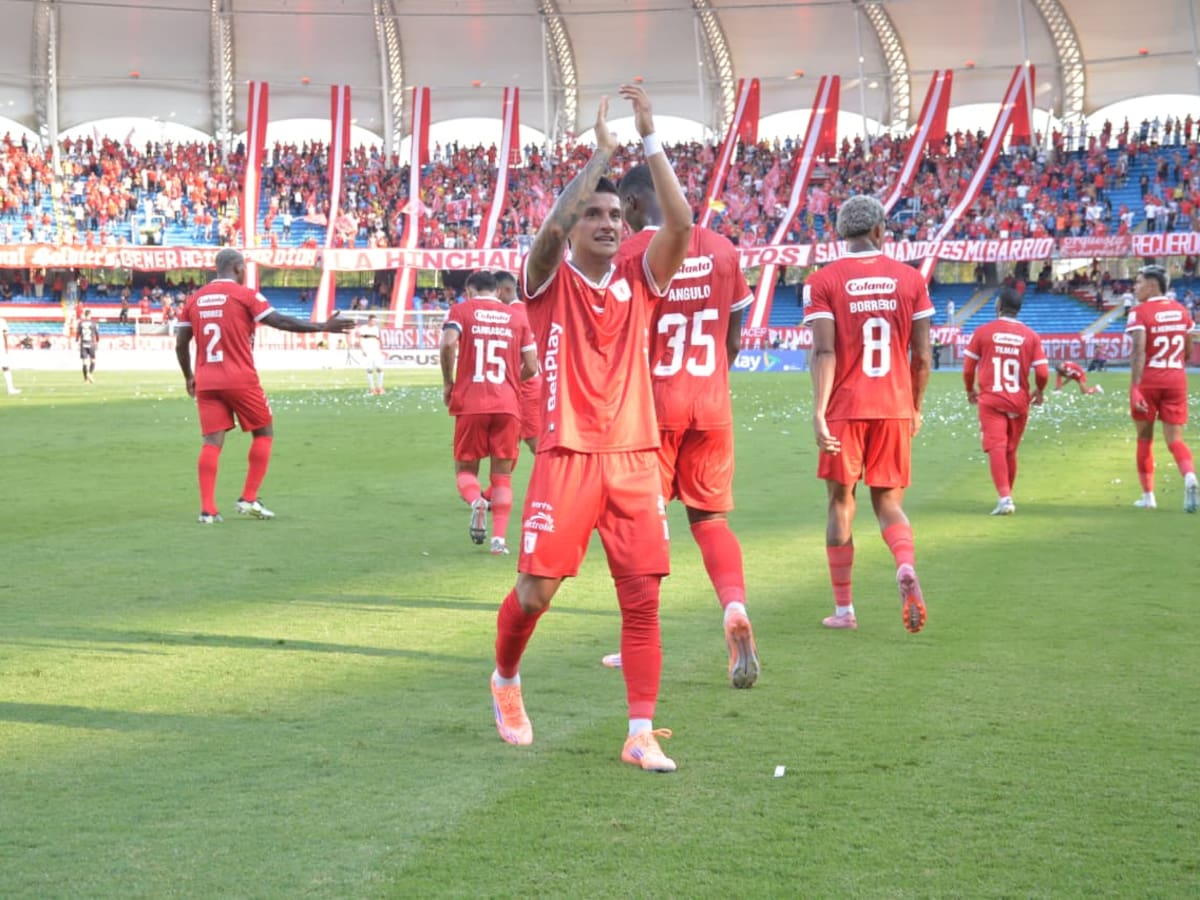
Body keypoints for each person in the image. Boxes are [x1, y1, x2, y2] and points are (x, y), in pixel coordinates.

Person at [488, 85, 691, 772]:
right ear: (575, 226)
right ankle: (507, 679)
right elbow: (546, 236)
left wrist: (649, 137)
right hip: (567, 454)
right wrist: (602, 153)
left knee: (642, 598)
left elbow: (682, 227)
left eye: (614, 214)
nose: (607, 222)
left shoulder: (641, 278)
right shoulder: (546, 282)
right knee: (536, 593)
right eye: (594, 214)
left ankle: (639, 733)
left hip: (634, 457)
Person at [600, 162, 759, 689]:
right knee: (711, 521)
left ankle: (639, 640)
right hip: (710, 403)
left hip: (647, 409)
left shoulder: (625, 257)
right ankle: (733, 605)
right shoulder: (722, 248)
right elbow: (733, 337)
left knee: (642, 527)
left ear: (633, 206)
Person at [803, 195, 933, 633]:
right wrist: (914, 407)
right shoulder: (911, 279)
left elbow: (823, 350)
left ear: (842, 234)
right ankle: (904, 564)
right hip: (894, 405)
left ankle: (844, 610)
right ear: (880, 231)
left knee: (842, 502)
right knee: (889, 502)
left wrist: (819, 413)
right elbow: (923, 357)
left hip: (844, 408)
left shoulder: (823, 280)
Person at [175, 248, 355, 524]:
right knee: (264, 433)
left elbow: (180, 343)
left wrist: (189, 375)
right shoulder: (245, 295)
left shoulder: (194, 300)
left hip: (207, 381)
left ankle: (208, 510)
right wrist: (323, 326)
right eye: (244, 268)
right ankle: (248, 498)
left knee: (211, 442)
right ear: (237, 268)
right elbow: (280, 321)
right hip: (240, 379)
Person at [440, 270, 538, 555]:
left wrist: (449, 383)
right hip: (508, 405)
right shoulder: (517, 318)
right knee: (502, 477)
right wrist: (509, 384)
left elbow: (448, 343)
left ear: (470, 292)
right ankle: (499, 542)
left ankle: (476, 502)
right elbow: (531, 366)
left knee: (466, 471)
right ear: (497, 292)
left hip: (471, 402)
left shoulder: (462, 310)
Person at [962, 287, 1049, 516]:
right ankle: (1007, 495)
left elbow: (969, 368)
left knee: (996, 447)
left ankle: (1005, 498)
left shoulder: (983, 332)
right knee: (1010, 450)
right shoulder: (1031, 336)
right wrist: (1039, 391)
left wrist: (970, 389)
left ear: (998, 305)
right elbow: (1042, 372)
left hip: (991, 399)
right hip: (1019, 401)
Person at [1125, 264, 1199, 512]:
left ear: (1152, 285)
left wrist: (1135, 387)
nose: (1135, 287)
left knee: (1144, 438)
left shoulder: (1139, 313)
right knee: (1175, 440)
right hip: (1176, 380)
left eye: (1138, 282)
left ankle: (1148, 497)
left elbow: (1138, 352)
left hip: (1149, 380)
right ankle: (1189, 475)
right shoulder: (1181, 312)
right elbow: (1188, 351)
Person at [494, 270, 541, 455]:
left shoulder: (509, 315)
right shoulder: (530, 310)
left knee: (535, 442)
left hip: (524, 385)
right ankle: (500, 484)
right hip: (533, 382)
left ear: (503, 290)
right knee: (510, 441)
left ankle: (555, 481)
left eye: (494, 292)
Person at [357, 314, 386, 395]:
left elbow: (378, 339)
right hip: (367, 350)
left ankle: (380, 387)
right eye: (373, 321)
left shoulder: (376, 329)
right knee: (369, 369)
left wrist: (381, 349)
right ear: (369, 320)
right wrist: (362, 349)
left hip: (376, 350)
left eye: (375, 321)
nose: (374, 322)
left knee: (379, 368)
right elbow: (359, 338)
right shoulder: (363, 328)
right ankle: (372, 388)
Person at [77, 309, 99, 383]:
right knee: (93, 360)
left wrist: (77, 341)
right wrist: (98, 341)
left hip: (83, 343)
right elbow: (96, 333)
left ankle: (86, 379)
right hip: (91, 343)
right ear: (89, 315)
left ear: (84, 315)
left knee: (84, 362)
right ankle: (89, 373)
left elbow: (78, 333)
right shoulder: (93, 323)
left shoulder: (80, 323)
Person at [0, 316, 20, 395]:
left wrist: (6, 347)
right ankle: (10, 389)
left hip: (1, 348)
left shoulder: (2, 321)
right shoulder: (2, 321)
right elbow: (5, 335)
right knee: (6, 368)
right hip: (1, 348)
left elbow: (5, 335)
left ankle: (11, 389)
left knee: (6, 367)